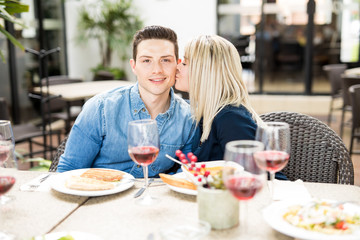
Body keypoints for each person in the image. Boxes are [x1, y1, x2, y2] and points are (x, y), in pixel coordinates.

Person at [57, 26, 195, 178]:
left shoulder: (188, 118)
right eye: (147, 60)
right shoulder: (100, 108)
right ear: (134, 66)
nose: (157, 70)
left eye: (166, 60)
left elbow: (185, 172)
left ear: (177, 64)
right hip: (99, 197)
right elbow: (68, 172)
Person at [175, 35, 287, 179]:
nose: (177, 67)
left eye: (184, 63)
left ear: (205, 73)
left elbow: (267, 178)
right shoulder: (207, 113)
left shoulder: (230, 119)